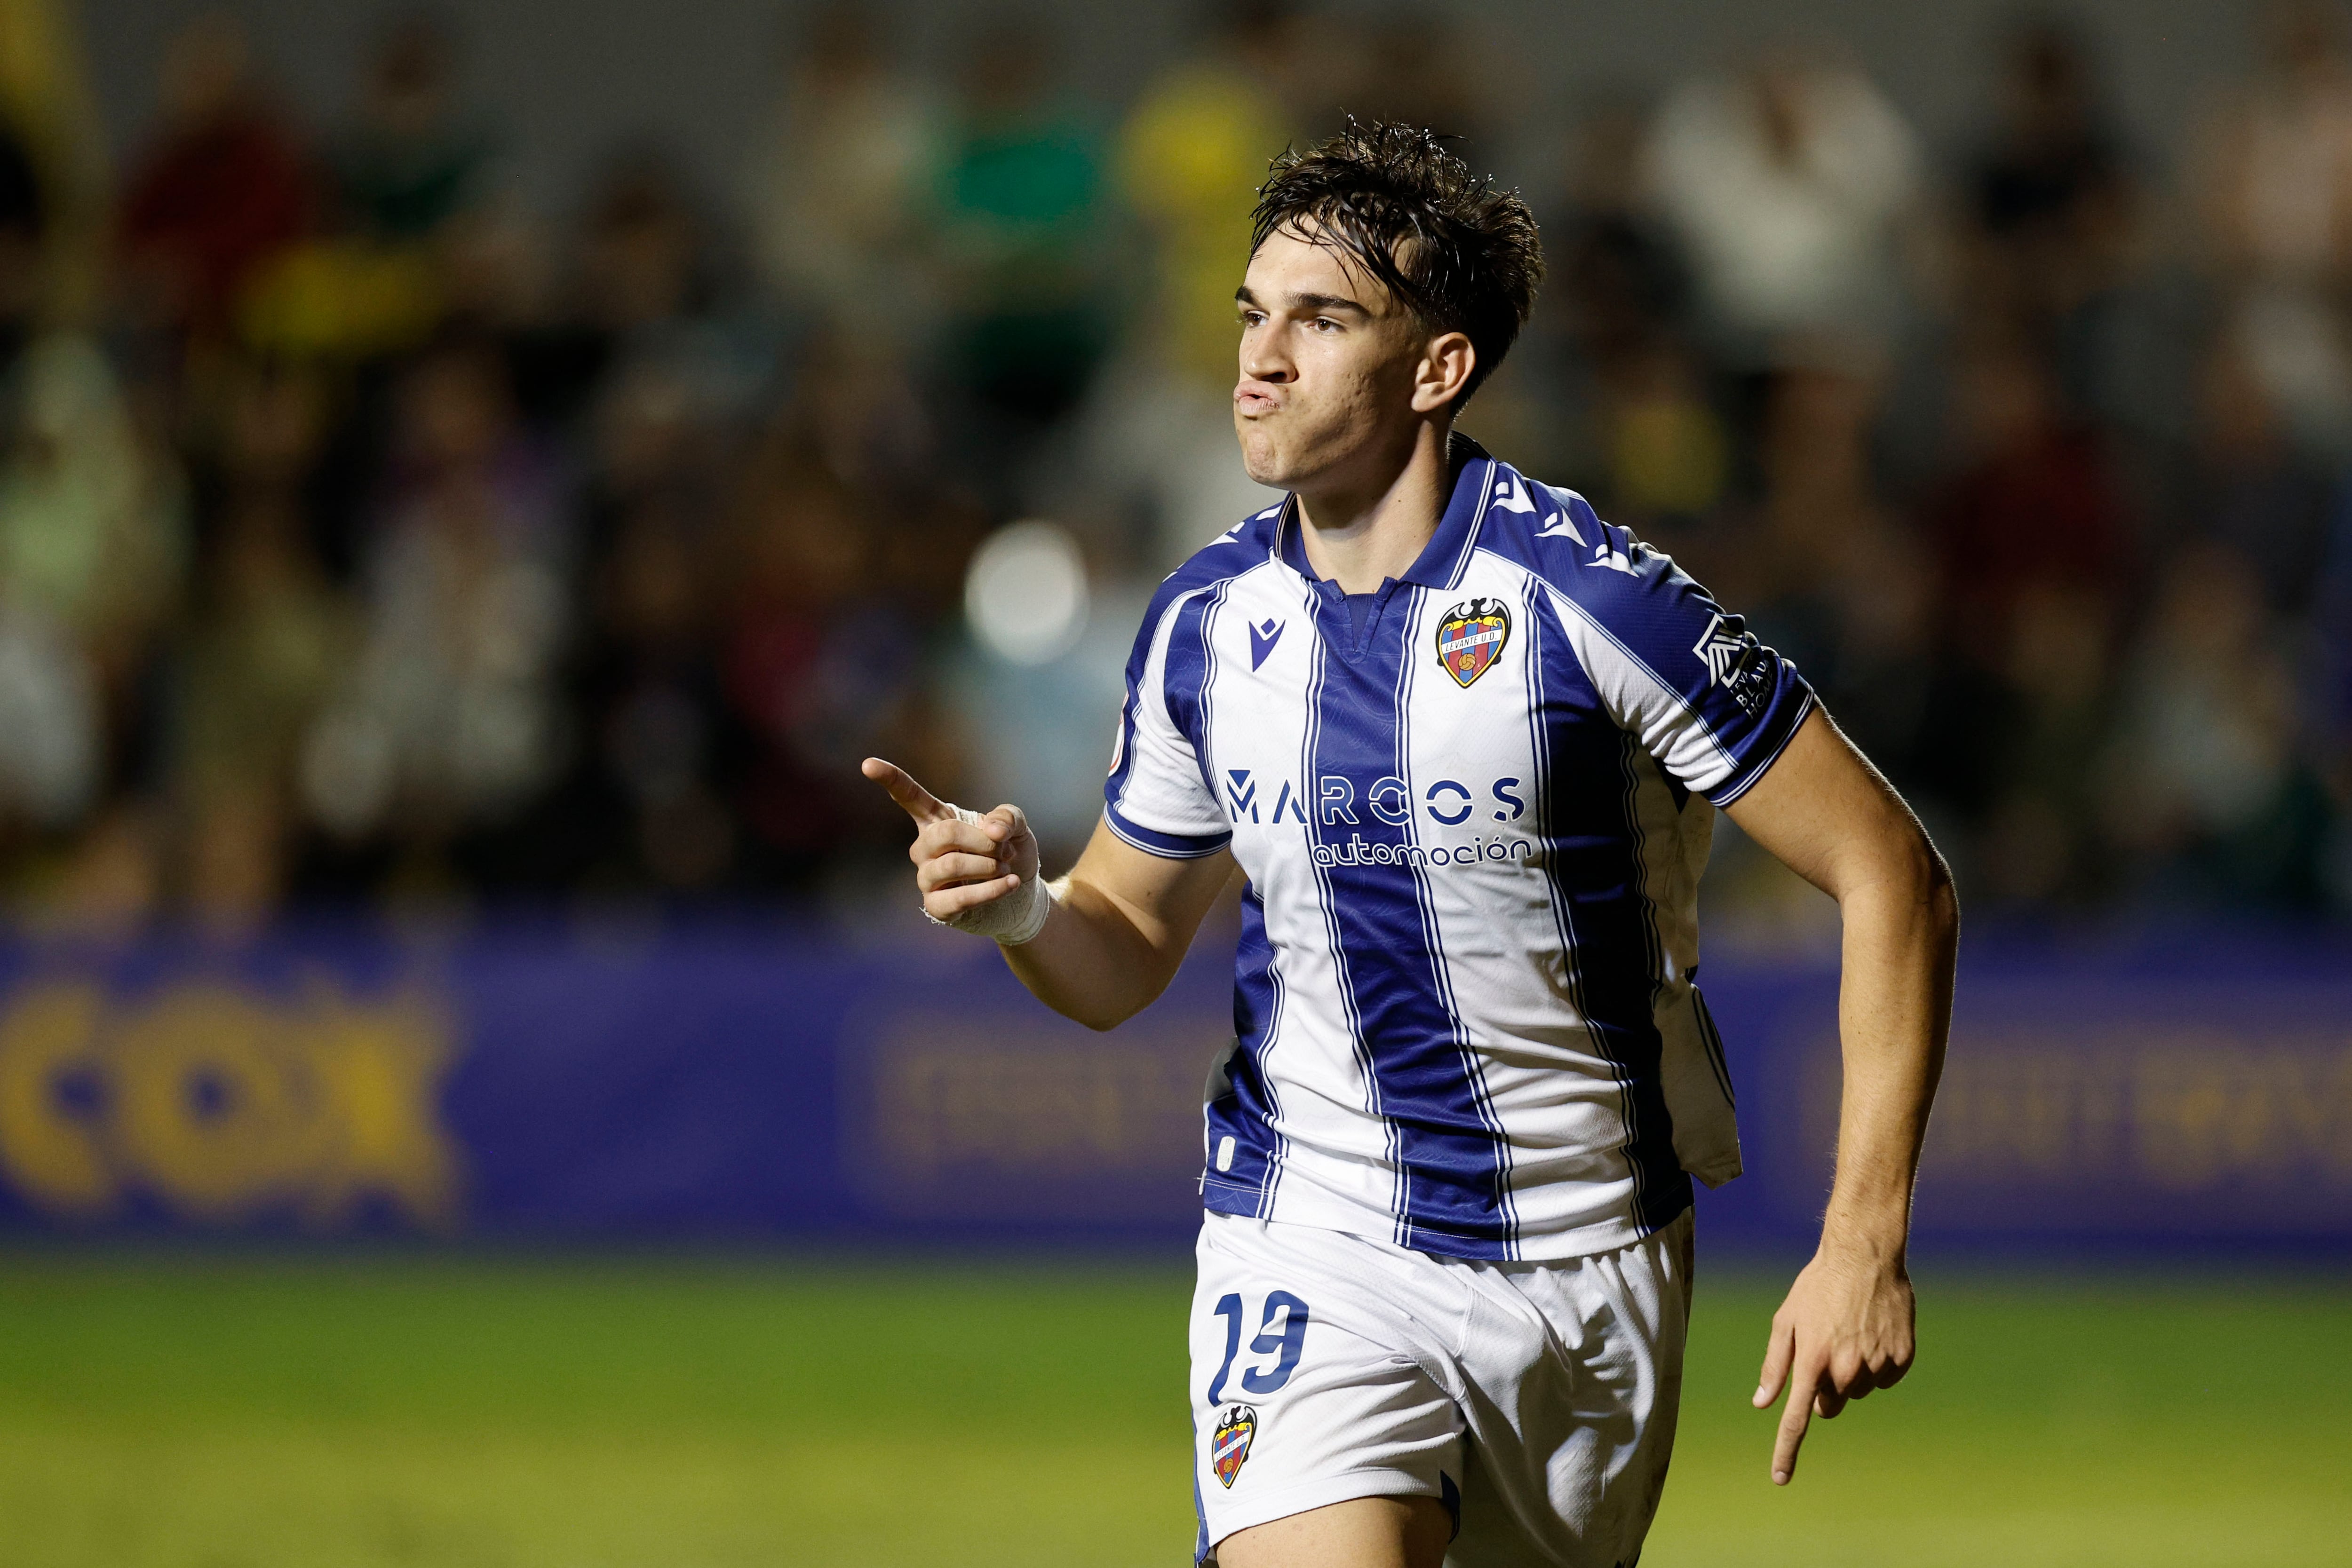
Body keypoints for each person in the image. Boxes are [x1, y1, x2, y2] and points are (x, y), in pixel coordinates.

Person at [864, 123, 1956, 1568]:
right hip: (1309, 1231)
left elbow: (1895, 878)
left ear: (1437, 369)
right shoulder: (1205, 629)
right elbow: (1122, 947)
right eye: (1255, 312)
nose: (1260, 356)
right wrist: (1018, 911)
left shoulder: (1597, 606)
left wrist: (1863, 1238)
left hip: (1591, 1267)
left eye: (1321, 321)